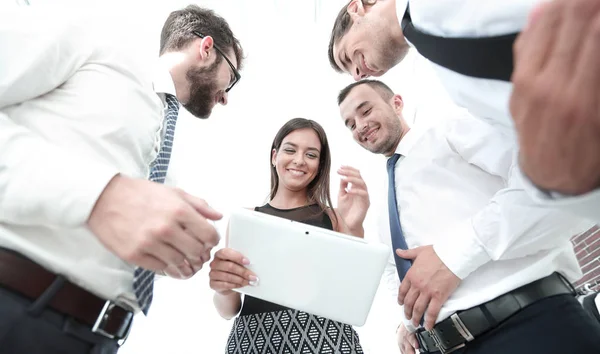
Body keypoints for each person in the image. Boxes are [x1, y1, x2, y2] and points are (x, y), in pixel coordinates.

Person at [0, 4, 242, 353]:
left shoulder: (167, 153)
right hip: (15, 311)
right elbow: (104, 203)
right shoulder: (96, 38)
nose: (225, 97)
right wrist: (99, 196)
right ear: (206, 49)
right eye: (231, 79)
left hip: (97, 339)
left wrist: (169, 253)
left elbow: (108, 232)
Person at [336, 79, 600, 354]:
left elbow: (549, 181)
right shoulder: (382, 204)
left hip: (528, 327)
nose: (360, 125)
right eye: (351, 124)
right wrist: (407, 322)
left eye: (365, 111)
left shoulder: (449, 128)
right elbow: (396, 271)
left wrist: (454, 256)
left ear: (397, 103)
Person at [327, 0, 600, 223]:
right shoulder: (457, 88)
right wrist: (560, 180)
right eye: (350, 124)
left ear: (357, 7)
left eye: (347, 57)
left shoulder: (451, 122)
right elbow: (546, 165)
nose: (356, 74)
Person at [208, 118, 369, 354]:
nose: (299, 160)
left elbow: (354, 294)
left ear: (319, 166)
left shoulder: (333, 218)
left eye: (311, 155)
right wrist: (222, 289)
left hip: (326, 339)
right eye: (290, 150)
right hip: (255, 340)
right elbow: (228, 310)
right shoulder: (246, 220)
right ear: (274, 156)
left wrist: (354, 226)